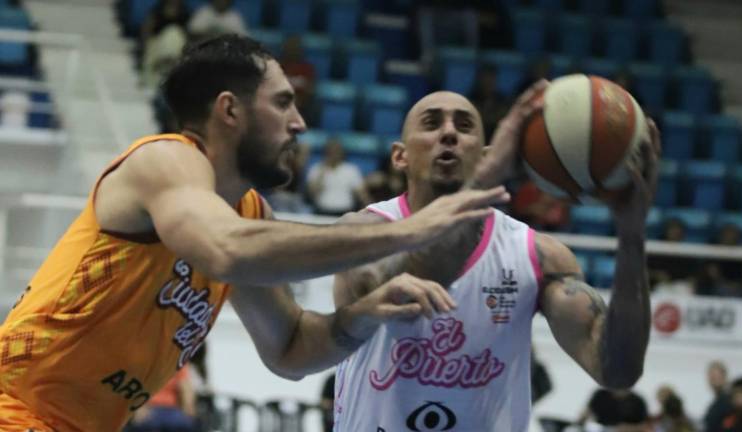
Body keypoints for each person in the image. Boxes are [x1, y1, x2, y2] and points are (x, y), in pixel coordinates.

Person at [0, 35, 507, 431]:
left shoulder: (246, 214)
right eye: (284, 104)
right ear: (229, 110)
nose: (300, 124)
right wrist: (407, 232)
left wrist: (363, 315)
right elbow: (226, 250)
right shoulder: (165, 159)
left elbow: (291, 349)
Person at [332, 85, 660, 430]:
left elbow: (618, 371)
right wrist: (484, 181)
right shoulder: (363, 232)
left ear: (487, 153)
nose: (448, 133)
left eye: (464, 126)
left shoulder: (537, 256)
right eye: (431, 124)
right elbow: (401, 283)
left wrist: (632, 234)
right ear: (400, 156)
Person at [307, 139, 365, 216]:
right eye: (330, 151)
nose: (334, 153)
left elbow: (361, 194)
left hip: (344, 213)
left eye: (336, 150)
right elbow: (312, 194)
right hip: (321, 212)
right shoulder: (316, 168)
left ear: (341, 152)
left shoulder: (351, 169)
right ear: (326, 152)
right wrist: (322, 172)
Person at [705, 361, 732, 432]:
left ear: (724, 377)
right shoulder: (716, 401)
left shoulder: (730, 400)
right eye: (711, 377)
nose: (713, 380)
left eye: (716, 376)